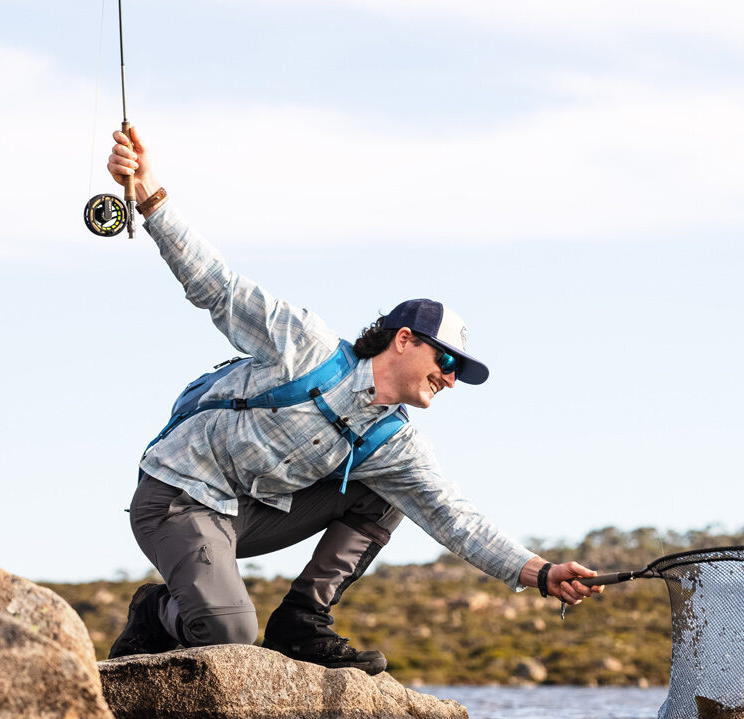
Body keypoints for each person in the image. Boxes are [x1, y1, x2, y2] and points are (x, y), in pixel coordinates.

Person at [104, 127, 603, 674]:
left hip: (247, 517)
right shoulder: (304, 345)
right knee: (231, 633)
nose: (451, 380)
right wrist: (149, 194)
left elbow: (455, 520)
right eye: (448, 363)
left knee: (391, 493)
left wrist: (542, 572)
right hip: (178, 498)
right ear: (405, 340)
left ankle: (301, 622)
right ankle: (155, 613)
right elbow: (216, 286)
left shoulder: (394, 443)